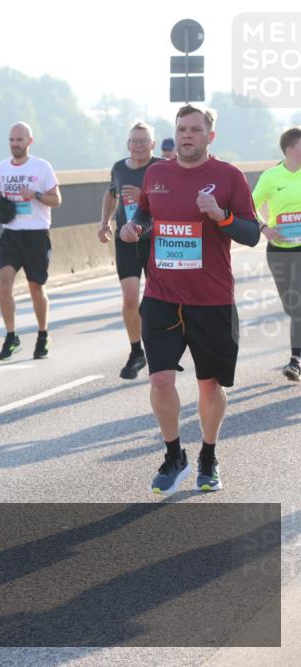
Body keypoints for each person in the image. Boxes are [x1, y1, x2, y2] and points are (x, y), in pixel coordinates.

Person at [120, 104, 261, 494]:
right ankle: (173, 455)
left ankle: (208, 456)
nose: (187, 135)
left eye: (195, 130)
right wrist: (134, 227)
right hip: (163, 296)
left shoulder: (228, 176)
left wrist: (220, 216)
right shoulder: (157, 173)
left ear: (209, 136)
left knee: (210, 386)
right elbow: (145, 216)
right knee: (161, 380)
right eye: (182, 129)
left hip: (211, 299)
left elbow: (251, 233)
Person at [98, 122, 163, 379]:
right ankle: (137, 352)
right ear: (128, 144)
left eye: (143, 140)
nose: (138, 145)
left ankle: (162, 345)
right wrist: (104, 223)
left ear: (153, 145)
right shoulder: (118, 168)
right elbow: (111, 194)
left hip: (154, 240)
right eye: (134, 140)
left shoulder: (160, 168)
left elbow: (171, 200)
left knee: (158, 300)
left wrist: (143, 196)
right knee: (129, 297)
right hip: (126, 240)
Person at [0, 122, 62, 361]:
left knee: (36, 287)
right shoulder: (2, 168)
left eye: (19, 140)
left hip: (36, 234)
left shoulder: (42, 167)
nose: (15, 144)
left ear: (29, 141)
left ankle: (43, 334)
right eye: (11, 140)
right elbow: (0, 197)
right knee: (4, 284)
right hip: (11, 234)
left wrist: (36, 195)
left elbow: (57, 200)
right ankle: (11, 336)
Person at [252, 126, 301, 382]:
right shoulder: (271, 177)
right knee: (292, 306)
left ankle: (295, 360)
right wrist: (264, 228)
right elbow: (250, 205)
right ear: (291, 149)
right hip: (279, 251)